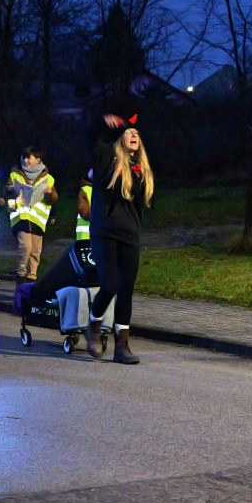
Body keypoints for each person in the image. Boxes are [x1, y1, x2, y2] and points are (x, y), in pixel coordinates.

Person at [84, 114, 154, 364]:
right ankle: (93, 325)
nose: (134, 135)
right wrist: (103, 123)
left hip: (129, 235)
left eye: (137, 132)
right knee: (111, 285)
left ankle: (122, 347)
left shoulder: (142, 167)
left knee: (126, 289)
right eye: (129, 132)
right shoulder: (106, 158)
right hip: (105, 233)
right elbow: (90, 138)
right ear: (119, 138)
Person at [5, 146, 57, 283]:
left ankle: (31, 278)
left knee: (35, 251)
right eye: (24, 157)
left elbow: (54, 200)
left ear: (38, 160)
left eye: (29, 157)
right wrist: (9, 191)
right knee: (25, 246)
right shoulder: (15, 175)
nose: (25, 160)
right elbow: (6, 195)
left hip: (38, 220)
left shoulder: (49, 179)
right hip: (21, 218)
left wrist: (50, 193)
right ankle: (21, 274)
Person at [75, 169, 93, 241]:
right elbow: (84, 212)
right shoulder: (85, 190)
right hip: (85, 236)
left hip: (97, 235)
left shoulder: (102, 191)